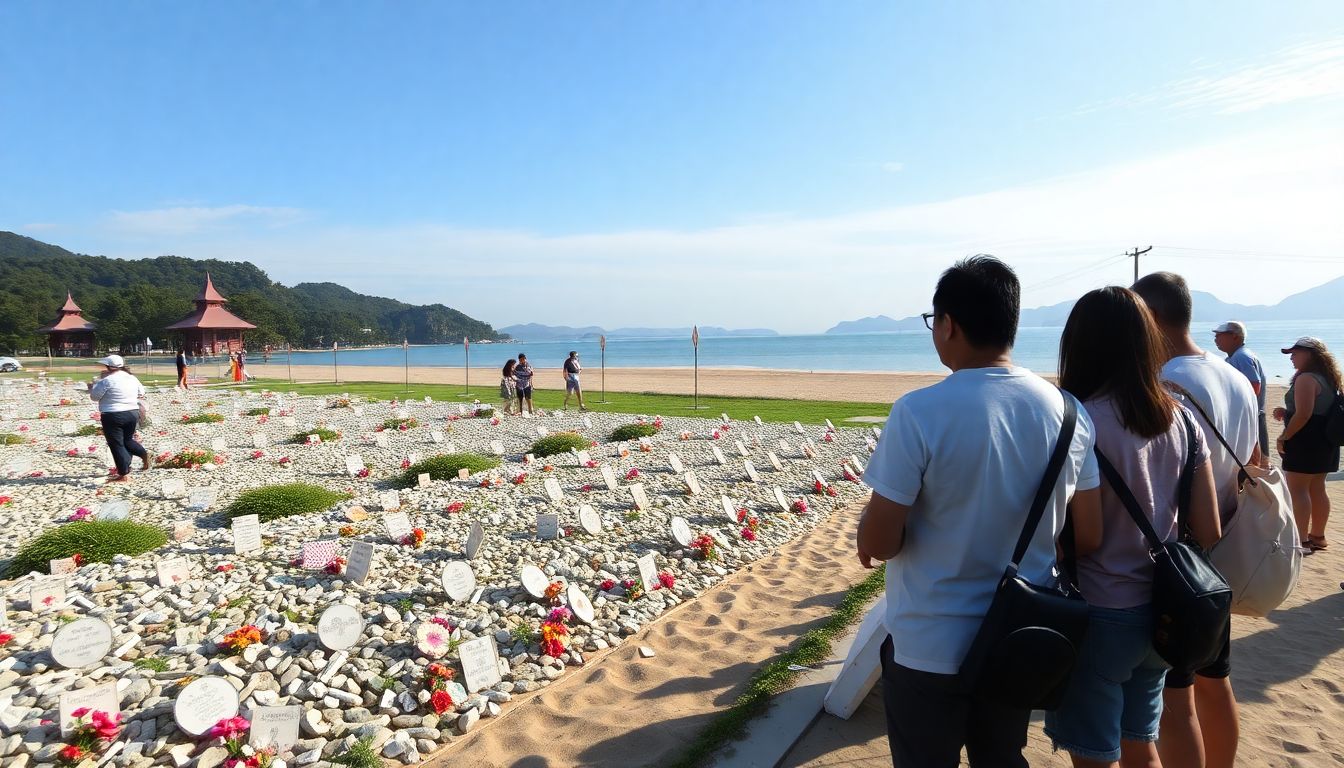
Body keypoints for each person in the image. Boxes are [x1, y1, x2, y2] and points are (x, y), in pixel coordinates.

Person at [856, 255, 1101, 768]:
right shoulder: (1069, 412)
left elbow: (880, 542)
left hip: (929, 641)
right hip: (1018, 637)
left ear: (948, 325)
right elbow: (1088, 534)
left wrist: (871, 535)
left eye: (933, 321)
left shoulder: (919, 411)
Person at [1046, 287, 1222, 768]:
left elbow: (1090, 538)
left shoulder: (1079, 421)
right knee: (1141, 740)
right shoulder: (1182, 419)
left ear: (1078, 344)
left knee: (1093, 754)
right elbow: (1208, 528)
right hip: (1164, 613)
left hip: (1102, 609)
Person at [1132, 272, 1257, 768]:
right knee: (1215, 679)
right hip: (1222, 551)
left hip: (1180, 560)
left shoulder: (1169, 383)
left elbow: (1161, 479)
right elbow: (1253, 462)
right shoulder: (1235, 377)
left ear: (1153, 319)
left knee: (1175, 702)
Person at [1273, 336, 1341, 553]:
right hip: (1326, 441)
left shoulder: (1306, 379)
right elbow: (1318, 409)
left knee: (1298, 489)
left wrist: (1284, 436)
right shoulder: (1330, 378)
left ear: (1310, 354)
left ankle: (1302, 540)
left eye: (1295, 353)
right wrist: (1286, 413)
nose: (1291, 357)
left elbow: (1304, 415)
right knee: (1317, 488)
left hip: (1306, 440)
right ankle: (1318, 536)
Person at [1213, 321, 1269, 467]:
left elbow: (1254, 386)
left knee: (1251, 465)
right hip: (1250, 417)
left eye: (1220, 335)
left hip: (1250, 418)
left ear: (1235, 337)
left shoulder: (1241, 357)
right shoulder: (1233, 357)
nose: (1216, 339)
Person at [88, 354, 149, 482]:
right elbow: (141, 393)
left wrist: (94, 388)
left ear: (108, 367)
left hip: (112, 414)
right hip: (132, 412)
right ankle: (144, 454)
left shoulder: (107, 380)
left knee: (116, 444)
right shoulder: (132, 378)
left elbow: (94, 397)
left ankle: (124, 474)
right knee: (128, 439)